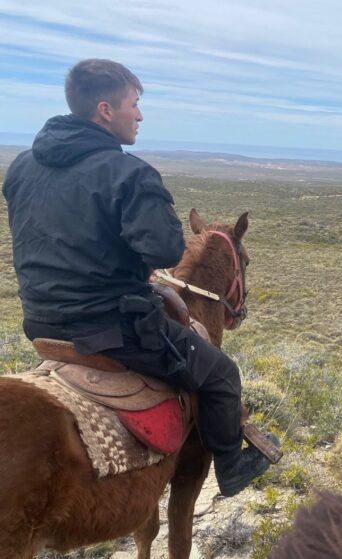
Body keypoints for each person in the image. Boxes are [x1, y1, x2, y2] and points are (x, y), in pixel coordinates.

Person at [2, 58, 275, 496]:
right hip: (114, 330)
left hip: (42, 324)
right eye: (135, 104)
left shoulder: (21, 168)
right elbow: (166, 250)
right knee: (222, 373)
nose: (141, 116)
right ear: (106, 110)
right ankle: (231, 468)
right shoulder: (128, 173)